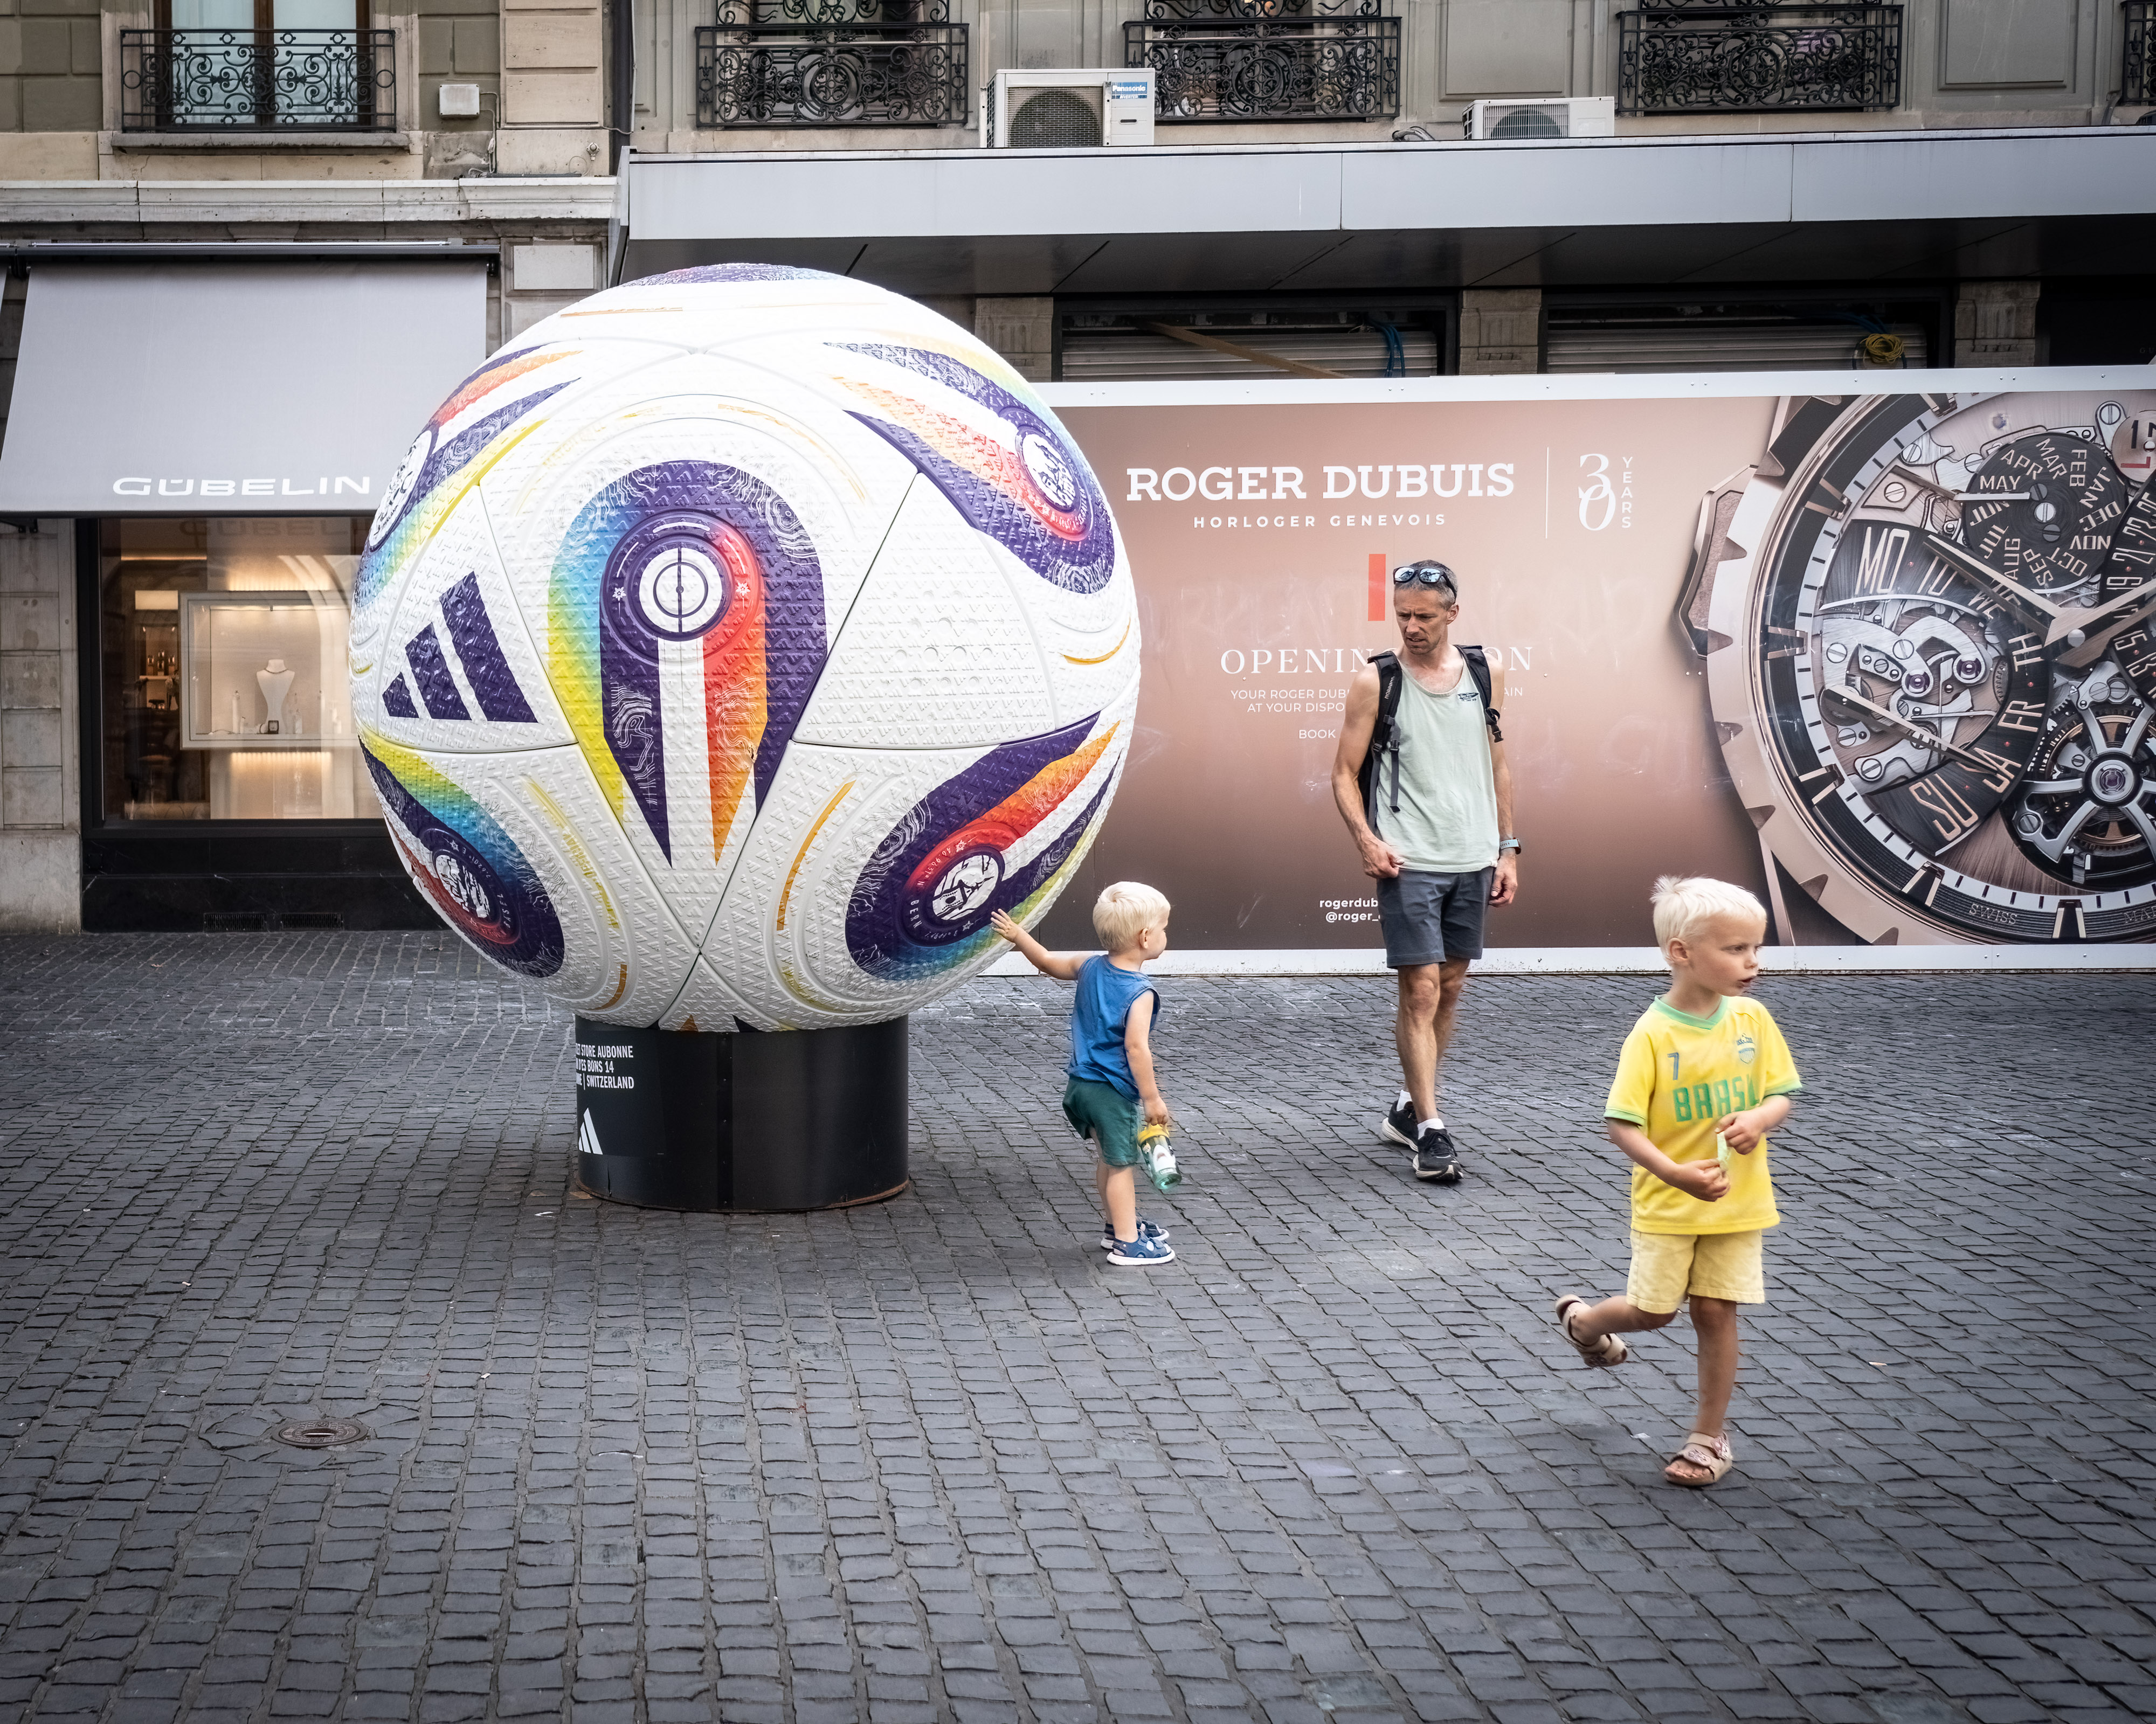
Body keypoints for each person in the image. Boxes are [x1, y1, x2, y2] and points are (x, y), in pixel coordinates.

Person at [1551, 876, 1803, 1488]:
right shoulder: (1652, 1033)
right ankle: (1585, 1324)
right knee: (1653, 1312)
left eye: (1755, 948)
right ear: (1681, 953)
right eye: (1736, 949)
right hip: (1668, 1203)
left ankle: (1708, 1437)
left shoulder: (1753, 1019)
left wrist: (1759, 1119)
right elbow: (1621, 1123)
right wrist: (1672, 1173)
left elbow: (1781, 1092)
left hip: (1737, 1202)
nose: (1752, 962)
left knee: (1716, 1311)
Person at [1330, 560, 1519, 1185]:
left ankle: (1408, 1108)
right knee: (1421, 990)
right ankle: (1432, 1130)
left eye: (1424, 616)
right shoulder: (1375, 680)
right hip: (1408, 859)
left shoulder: (1485, 672)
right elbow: (1342, 773)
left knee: (1451, 986)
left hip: (1473, 856)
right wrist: (1366, 839)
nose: (1411, 626)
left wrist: (1507, 848)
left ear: (1451, 614)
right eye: (1402, 615)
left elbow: (1497, 765)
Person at [990, 882, 1178, 1268]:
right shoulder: (1140, 991)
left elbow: (1046, 961)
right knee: (1121, 1165)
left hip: (1080, 1087)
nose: (1166, 934)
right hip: (1111, 1092)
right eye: (1164, 927)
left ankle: (1117, 1225)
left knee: (1107, 1158)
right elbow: (1136, 1048)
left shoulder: (1089, 966)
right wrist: (1152, 1098)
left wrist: (1018, 935)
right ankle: (1128, 1243)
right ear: (1145, 937)